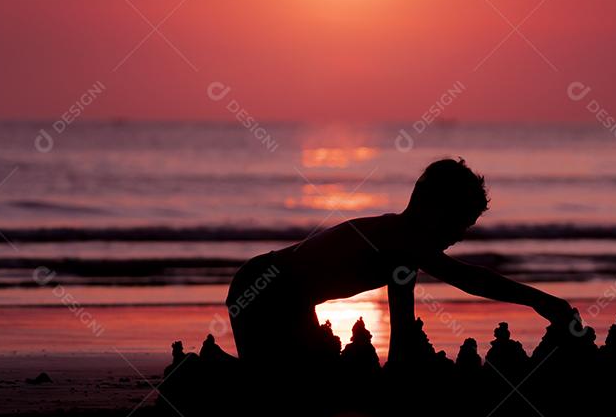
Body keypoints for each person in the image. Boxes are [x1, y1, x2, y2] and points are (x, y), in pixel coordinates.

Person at [225, 158, 574, 370]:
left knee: (315, 384)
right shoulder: (401, 239)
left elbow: (410, 322)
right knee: (281, 392)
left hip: (287, 299)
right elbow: (465, 279)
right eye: (459, 223)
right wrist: (540, 300)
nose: (459, 236)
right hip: (262, 291)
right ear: (435, 210)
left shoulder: (402, 243)